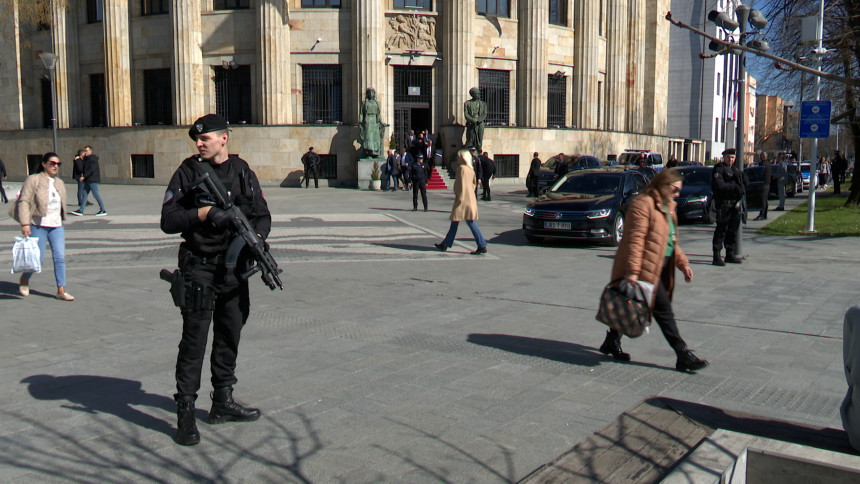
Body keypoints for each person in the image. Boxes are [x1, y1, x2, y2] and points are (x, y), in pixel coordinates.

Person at [160, 114, 271, 446]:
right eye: (197, 139)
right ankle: (186, 413)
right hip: (200, 268)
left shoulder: (242, 172)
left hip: (234, 270)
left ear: (224, 138)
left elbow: (262, 214)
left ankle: (222, 401)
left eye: (204, 138)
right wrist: (203, 214)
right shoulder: (189, 172)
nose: (198, 143)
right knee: (194, 341)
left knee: (230, 333)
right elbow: (168, 220)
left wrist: (257, 239)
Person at [598, 168, 707, 372]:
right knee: (663, 311)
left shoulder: (669, 206)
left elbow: (670, 240)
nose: (677, 195)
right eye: (674, 190)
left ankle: (612, 340)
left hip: (662, 266)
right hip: (645, 269)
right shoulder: (643, 204)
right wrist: (632, 272)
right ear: (662, 185)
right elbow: (634, 241)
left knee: (631, 304)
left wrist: (683, 264)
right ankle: (682, 353)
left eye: (678, 191)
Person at [16, 152, 74, 301]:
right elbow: (24, 201)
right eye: (52, 163)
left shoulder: (59, 182)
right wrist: (25, 223)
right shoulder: (34, 180)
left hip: (56, 225)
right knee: (38, 259)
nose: (55, 166)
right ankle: (24, 278)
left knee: (59, 257)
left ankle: (61, 290)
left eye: (58, 164)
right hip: (38, 224)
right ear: (44, 164)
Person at [434, 149, 488, 255]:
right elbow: (473, 184)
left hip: (462, 199)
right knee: (460, 222)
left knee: (466, 222)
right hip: (470, 198)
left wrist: (459, 194)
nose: (458, 159)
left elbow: (459, 185)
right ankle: (446, 244)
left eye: (459, 157)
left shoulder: (462, 169)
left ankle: (481, 244)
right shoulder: (470, 169)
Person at [711, 149, 745, 266]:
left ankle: (729, 254)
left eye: (732, 158)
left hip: (734, 205)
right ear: (724, 157)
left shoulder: (735, 170)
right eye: (728, 157)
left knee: (732, 231)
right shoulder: (719, 169)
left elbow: (744, 185)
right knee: (721, 230)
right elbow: (719, 185)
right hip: (724, 204)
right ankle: (716, 255)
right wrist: (733, 187)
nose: (730, 160)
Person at [70, 146, 107, 216]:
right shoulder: (86, 159)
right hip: (88, 180)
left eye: (86, 151)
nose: (85, 152)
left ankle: (103, 210)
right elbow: (81, 168)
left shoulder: (93, 159)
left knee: (96, 194)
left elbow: (91, 170)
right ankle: (81, 210)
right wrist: (77, 160)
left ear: (90, 151)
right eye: (84, 151)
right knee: (84, 194)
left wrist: (84, 176)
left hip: (93, 179)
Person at [359, 88, 385, 158]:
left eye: (372, 93)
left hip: (375, 121)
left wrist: (382, 122)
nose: (371, 94)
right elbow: (361, 113)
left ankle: (375, 153)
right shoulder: (364, 103)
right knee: (368, 137)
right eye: (369, 93)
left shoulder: (377, 103)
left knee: (375, 137)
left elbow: (378, 114)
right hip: (367, 120)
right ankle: (368, 153)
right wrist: (360, 121)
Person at [464, 87, 488, 152]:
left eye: (478, 94)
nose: (478, 95)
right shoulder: (467, 103)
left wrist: (478, 120)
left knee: (479, 138)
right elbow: (466, 114)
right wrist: (472, 119)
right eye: (476, 94)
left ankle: (478, 150)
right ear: (473, 94)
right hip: (471, 123)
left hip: (480, 123)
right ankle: (469, 151)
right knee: (470, 138)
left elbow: (484, 114)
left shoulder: (483, 104)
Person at [753, 152, 772, 221]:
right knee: (765, 199)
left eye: (761, 156)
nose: (760, 157)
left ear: (764, 156)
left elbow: (759, 173)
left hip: (763, 183)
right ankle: (765, 214)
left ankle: (762, 214)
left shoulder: (763, 164)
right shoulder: (769, 164)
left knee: (763, 199)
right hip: (767, 183)